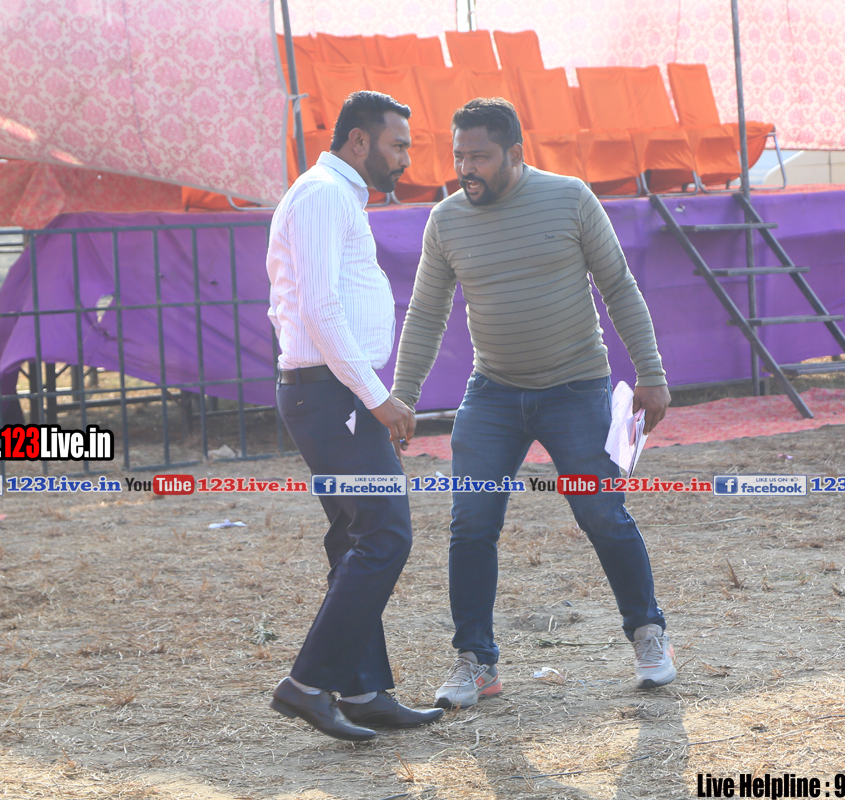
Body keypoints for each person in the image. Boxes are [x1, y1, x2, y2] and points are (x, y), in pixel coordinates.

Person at [391, 98, 677, 710]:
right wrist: (403, 397)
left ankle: (648, 634)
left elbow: (618, 286)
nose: (466, 168)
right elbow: (425, 313)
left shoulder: (570, 198)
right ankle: (476, 663)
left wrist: (651, 373)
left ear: (515, 153)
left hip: (577, 387)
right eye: (459, 156)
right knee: (471, 523)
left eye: (480, 157)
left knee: (602, 515)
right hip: (492, 392)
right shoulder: (446, 220)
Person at [265, 91, 443, 741]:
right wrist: (376, 397)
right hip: (333, 395)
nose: (405, 159)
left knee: (355, 538)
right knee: (385, 535)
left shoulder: (337, 195)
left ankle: (364, 691)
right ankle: (306, 685)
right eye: (398, 145)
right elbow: (319, 309)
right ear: (360, 141)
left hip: (335, 393)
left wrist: (366, 394)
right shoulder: (322, 196)